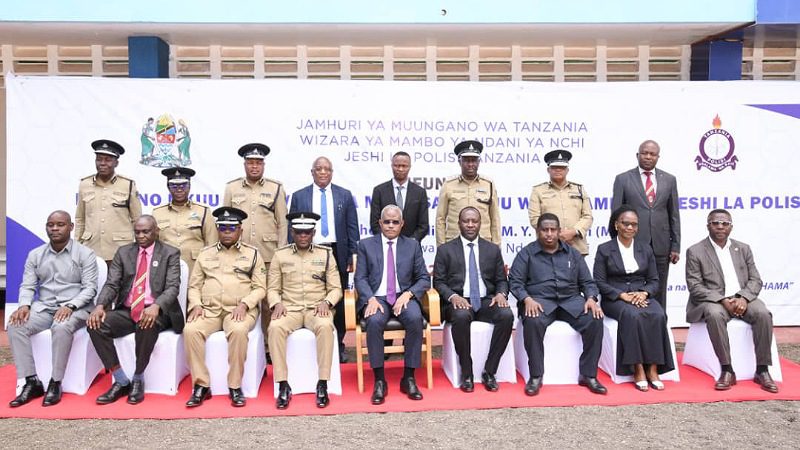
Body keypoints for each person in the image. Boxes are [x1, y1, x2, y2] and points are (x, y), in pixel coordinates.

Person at [87, 215, 183, 405]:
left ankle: (138, 378)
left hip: (157, 310)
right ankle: (121, 380)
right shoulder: (124, 252)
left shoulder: (170, 253)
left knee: (146, 324)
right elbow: (112, 284)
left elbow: (173, 287)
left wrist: (156, 306)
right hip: (127, 310)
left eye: (145, 232)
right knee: (95, 325)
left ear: (156, 231)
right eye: (137, 232)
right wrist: (100, 306)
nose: (141, 236)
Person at [509, 213, 606, 396]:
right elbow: (515, 282)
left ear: (559, 231)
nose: (549, 234)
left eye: (553, 230)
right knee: (533, 321)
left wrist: (591, 298)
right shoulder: (526, 254)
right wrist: (527, 299)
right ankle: (536, 376)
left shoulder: (573, 254)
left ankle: (588, 375)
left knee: (594, 319)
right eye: (544, 230)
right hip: (540, 301)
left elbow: (588, 282)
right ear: (537, 231)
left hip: (571, 301)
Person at [8, 211, 98, 407]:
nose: (55, 229)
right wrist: (24, 305)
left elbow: (90, 289)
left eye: (60, 224)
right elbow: (28, 285)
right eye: (51, 225)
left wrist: (70, 305)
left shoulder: (85, 254)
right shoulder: (36, 254)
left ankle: (55, 382)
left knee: (61, 326)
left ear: (71, 227)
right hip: (45, 308)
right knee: (15, 325)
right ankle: (31, 381)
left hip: (77, 308)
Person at [685, 209, 778, 393]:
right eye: (715, 223)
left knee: (763, 314)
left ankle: (762, 370)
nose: (720, 226)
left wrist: (743, 297)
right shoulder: (695, 251)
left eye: (725, 223)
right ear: (708, 226)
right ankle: (727, 369)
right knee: (714, 314)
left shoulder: (743, 248)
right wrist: (722, 299)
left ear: (731, 227)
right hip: (714, 300)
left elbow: (755, 280)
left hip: (743, 298)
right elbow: (695, 286)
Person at [184, 207, 267, 408]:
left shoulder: (253, 254)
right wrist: (196, 305)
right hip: (209, 310)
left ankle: (235, 386)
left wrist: (245, 304)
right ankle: (201, 385)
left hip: (238, 310)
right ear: (217, 230)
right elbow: (194, 286)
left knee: (238, 331)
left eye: (231, 228)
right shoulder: (205, 254)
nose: (227, 232)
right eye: (222, 228)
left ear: (240, 230)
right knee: (190, 330)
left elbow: (260, 288)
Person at [593, 205, 674, 391]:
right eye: (625, 223)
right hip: (615, 298)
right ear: (616, 225)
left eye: (634, 224)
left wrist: (644, 293)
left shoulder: (645, 249)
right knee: (632, 315)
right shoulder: (605, 249)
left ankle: (653, 368)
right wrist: (622, 295)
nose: (630, 227)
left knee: (658, 314)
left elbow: (654, 280)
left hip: (640, 294)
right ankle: (637, 368)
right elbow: (599, 281)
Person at [355, 205, 430, 404]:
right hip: (377, 298)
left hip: (402, 296)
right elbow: (360, 278)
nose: (390, 225)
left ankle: (409, 378)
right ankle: (380, 380)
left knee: (415, 318)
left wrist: (408, 294)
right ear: (380, 223)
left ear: (402, 224)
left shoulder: (412, 245)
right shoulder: (366, 245)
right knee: (373, 321)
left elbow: (424, 278)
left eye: (395, 222)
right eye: (386, 222)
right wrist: (370, 298)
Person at [267, 212, 342, 409]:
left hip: (316, 308)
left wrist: (327, 302)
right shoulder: (280, 255)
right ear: (292, 232)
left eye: (307, 232)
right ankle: (283, 384)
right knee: (275, 328)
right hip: (289, 309)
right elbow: (272, 288)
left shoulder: (326, 254)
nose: (303, 236)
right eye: (299, 232)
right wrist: (276, 303)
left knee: (325, 326)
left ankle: (323, 383)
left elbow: (336, 289)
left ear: (313, 233)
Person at [433, 207, 512, 393]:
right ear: (459, 223)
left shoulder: (492, 250)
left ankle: (490, 371)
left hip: (486, 300)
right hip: (458, 301)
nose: (470, 225)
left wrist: (501, 294)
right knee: (461, 316)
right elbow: (438, 282)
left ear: (480, 223)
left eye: (474, 221)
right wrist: (453, 296)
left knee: (506, 315)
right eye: (466, 221)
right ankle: (467, 373)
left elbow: (502, 280)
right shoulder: (445, 250)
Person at [289, 156, 359, 362]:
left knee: (339, 299)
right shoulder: (299, 196)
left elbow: (352, 228)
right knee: (312, 294)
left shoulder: (344, 195)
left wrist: (352, 255)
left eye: (327, 169)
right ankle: (313, 343)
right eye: (318, 169)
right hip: (309, 250)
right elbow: (292, 229)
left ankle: (338, 344)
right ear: (312, 172)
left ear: (332, 172)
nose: (322, 172)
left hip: (338, 252)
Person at [223, 143, 287, 359]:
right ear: (244, 164)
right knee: (240, 298)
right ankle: (243, 346)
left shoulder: (275, 188)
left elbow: (283, 223)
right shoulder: (232, 188)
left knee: (268, 302)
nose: (254, 166)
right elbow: (224, 222)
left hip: (268, 254)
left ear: (263, 165)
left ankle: (269, 348)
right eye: (250, 162)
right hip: (239, 255)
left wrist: (281, 253)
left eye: (258, 163)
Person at [611, 140, 680, 313]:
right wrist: (616, 245)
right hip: (632, 243)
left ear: (658, 157)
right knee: (634, 287)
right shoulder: (623, 179)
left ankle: (661, 323)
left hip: (661, 245)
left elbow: (674, 215)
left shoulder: (669, 180)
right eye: (644, 153)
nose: (648, 157)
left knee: (660, 289)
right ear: (638, 155)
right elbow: (615, 214)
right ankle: (638, 323)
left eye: (652, 154)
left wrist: (675, 246)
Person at [75, 139, 143, 263]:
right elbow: (80, 219)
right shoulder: (85, 184)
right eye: (99, 159)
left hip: (120, 251)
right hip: (91, 250)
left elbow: (137, 220)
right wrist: (77, 245)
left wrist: (139, 249)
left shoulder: (127, 185)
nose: (102, 163)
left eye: (108, 160)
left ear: (116, 163)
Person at [435, 140, 501, 247]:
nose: (470, 164)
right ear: (459, 162)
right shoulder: (448, 185)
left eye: (474, 160)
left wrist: (496, 247)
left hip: (483, 243)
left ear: (479, 162)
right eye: (466, 160)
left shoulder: (488, 184)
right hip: (454, 243)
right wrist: (441, 247)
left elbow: (495, 219)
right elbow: (440, 219)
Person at [528, 150, 593, 256]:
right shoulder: (538, 191)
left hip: (576, 247)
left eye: (562, 167)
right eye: (554, 167)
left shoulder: (579, 189)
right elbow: (535, 219)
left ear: (567, 170)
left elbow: (588, 216)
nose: (558, 170)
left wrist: (573, 232)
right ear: (548, 170)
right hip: (548, 248)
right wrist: (556, 235)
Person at [153, 167, 215, 274]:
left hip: (196, 269)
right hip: (167, 268)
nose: (179, 189)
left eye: (183, 185)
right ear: (168, 187)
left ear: (189, 186)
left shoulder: (203, 211)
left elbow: (212, 243)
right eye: (174, 186)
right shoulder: (157, 213)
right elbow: (153, 245)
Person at [369, 151, 429, 242]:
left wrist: (410, 242)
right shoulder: (379, 191)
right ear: (392, 166)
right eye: (397, 165)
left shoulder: (420, 192)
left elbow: (423, 225)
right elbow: (375, 223)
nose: (400, 169)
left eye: (404, 166)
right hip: (386, 246)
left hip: (411, 246)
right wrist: (387, 241)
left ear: (409, 167)